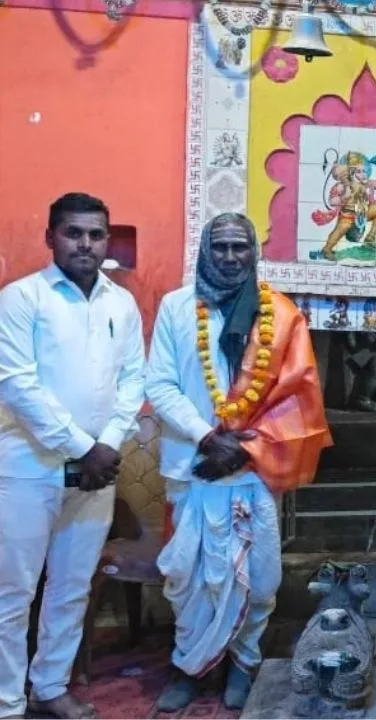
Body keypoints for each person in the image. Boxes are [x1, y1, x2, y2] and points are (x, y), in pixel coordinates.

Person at [146, 213, 331, 711]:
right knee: (187, 579)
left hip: (253, 467)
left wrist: (242, 450)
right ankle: (190, 666)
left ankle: (243, 663)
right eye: (220, 247)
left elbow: (298, 398)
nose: (230, 257)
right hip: (193, 468)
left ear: (254, 252)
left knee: (260, 578)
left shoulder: (281, 315)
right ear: (205, 250)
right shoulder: (176, 307)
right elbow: (159, 383)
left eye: (240, 247)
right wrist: (207, 437)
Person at [0, 193, 144, 720]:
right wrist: (84, 448)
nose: (86, 244)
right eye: (73, 232)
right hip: (28, 467)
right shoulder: (21, 299)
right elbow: (17, 385)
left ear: (107, 241)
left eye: (95, 234)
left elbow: (133, 381)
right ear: (50, 238)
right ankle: (6, 701)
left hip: (96, 473)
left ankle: (50, 686)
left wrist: (107, 446)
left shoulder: (121, 304)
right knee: (12, 593)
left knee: (71, 588)